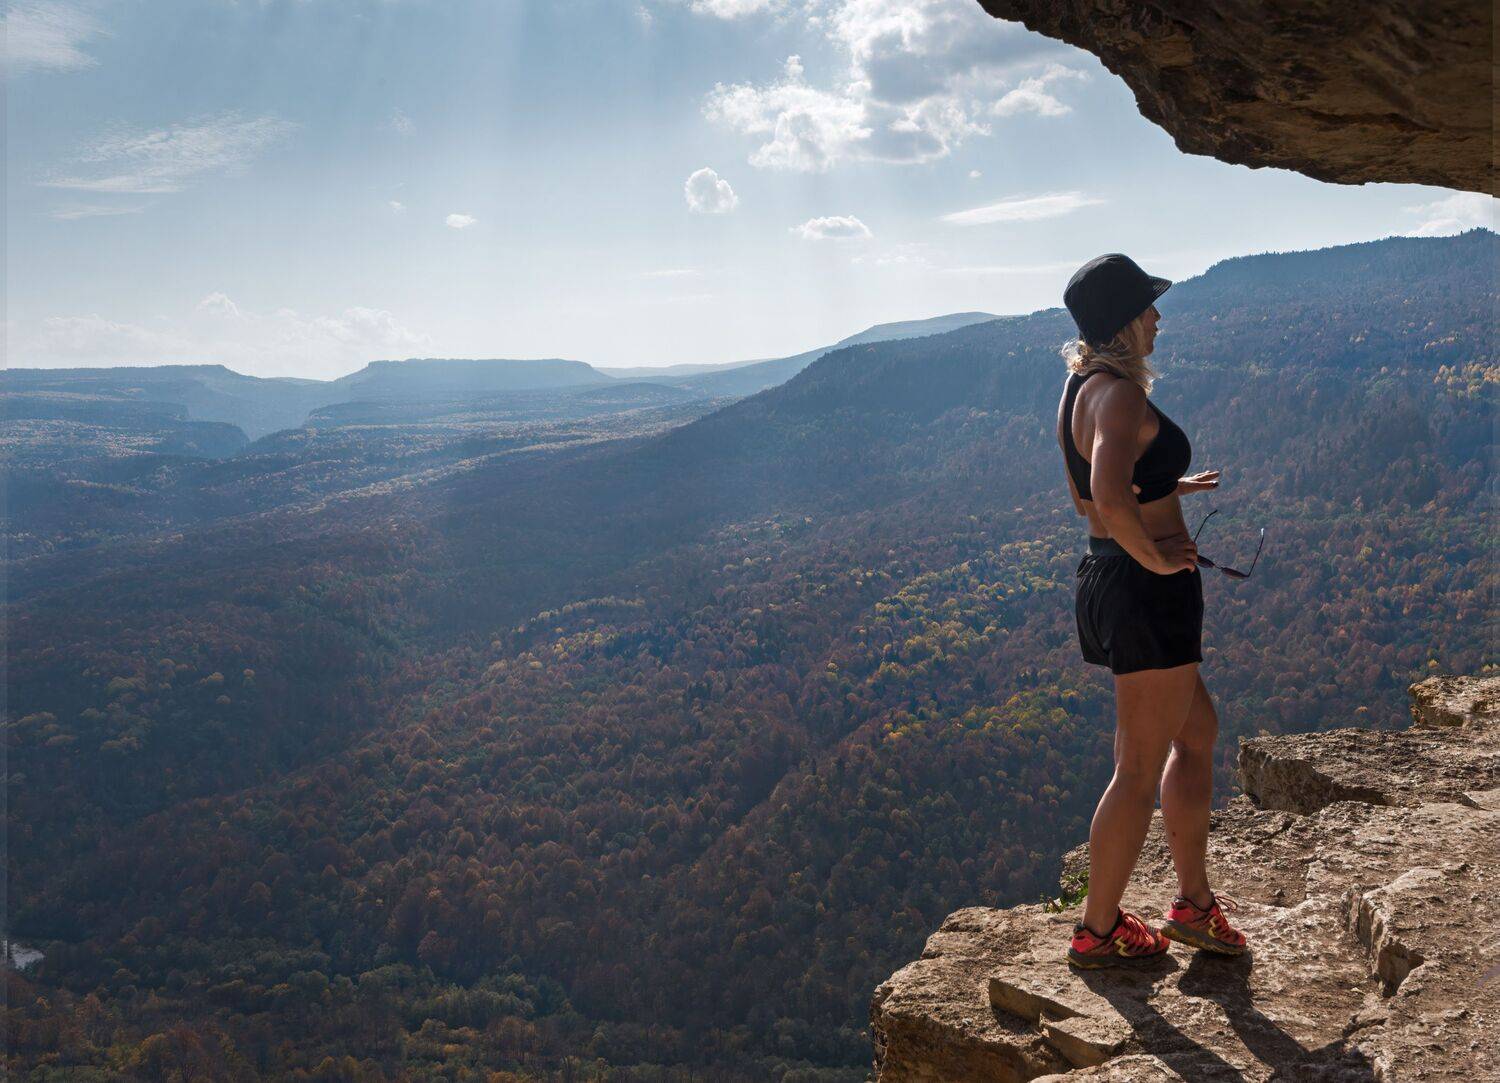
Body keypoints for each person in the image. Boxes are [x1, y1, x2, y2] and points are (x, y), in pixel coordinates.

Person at [1054, 253, 1248, 968]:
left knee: (1196, 730)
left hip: (1107, 580)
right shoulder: (1124, 397)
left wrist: (1173, 484)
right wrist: (1159, 557)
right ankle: (1098, 929)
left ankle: (1192, 903)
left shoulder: (1081, 387)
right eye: (1148, 308)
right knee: (1137, 767)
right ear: (1124, 322)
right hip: (1145, 592)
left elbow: (1090, 497)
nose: (1158, 317)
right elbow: (1106, 498)